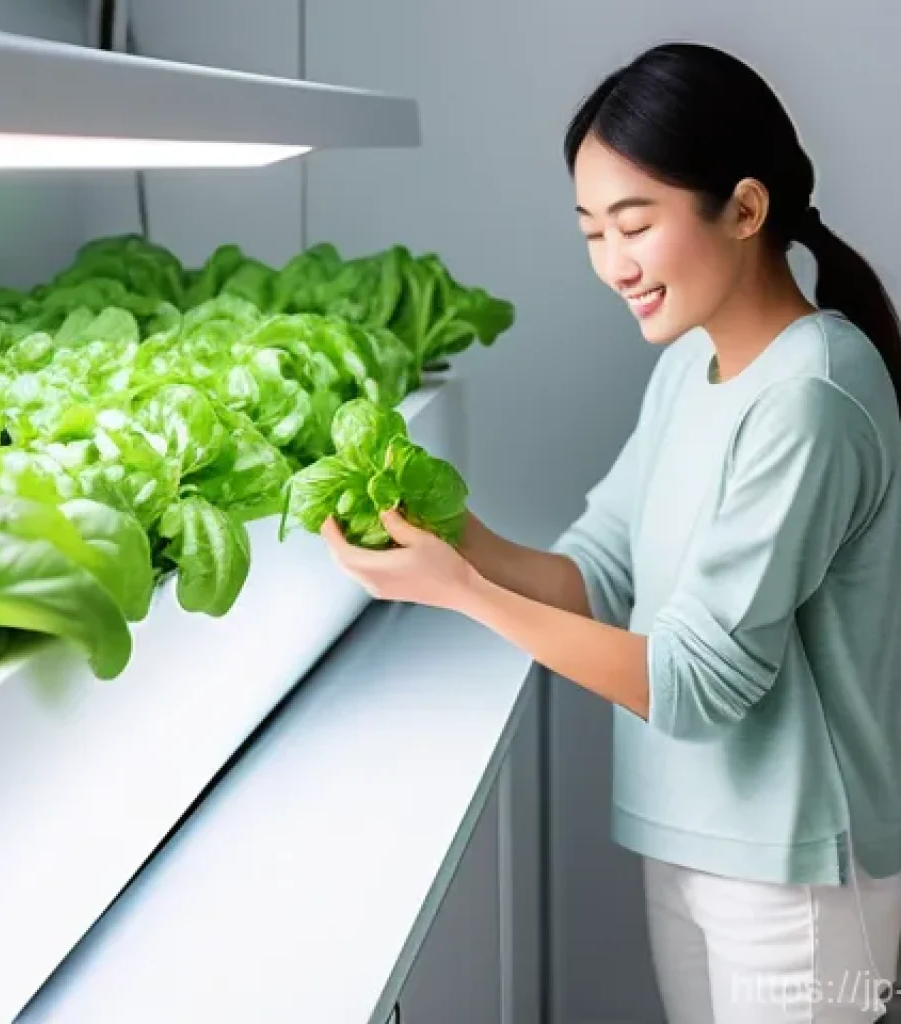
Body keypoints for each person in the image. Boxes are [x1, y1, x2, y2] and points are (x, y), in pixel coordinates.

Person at [320, 41, 901, 1024]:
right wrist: (456, 538)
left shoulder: (813, 396)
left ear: (747, 209)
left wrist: (461, 592)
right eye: (591, 231)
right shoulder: (689, 365)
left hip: (798, 873)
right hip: (688, 840)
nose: (611, 264)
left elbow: (692, 683)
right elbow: (601, 571)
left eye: (634, 224)